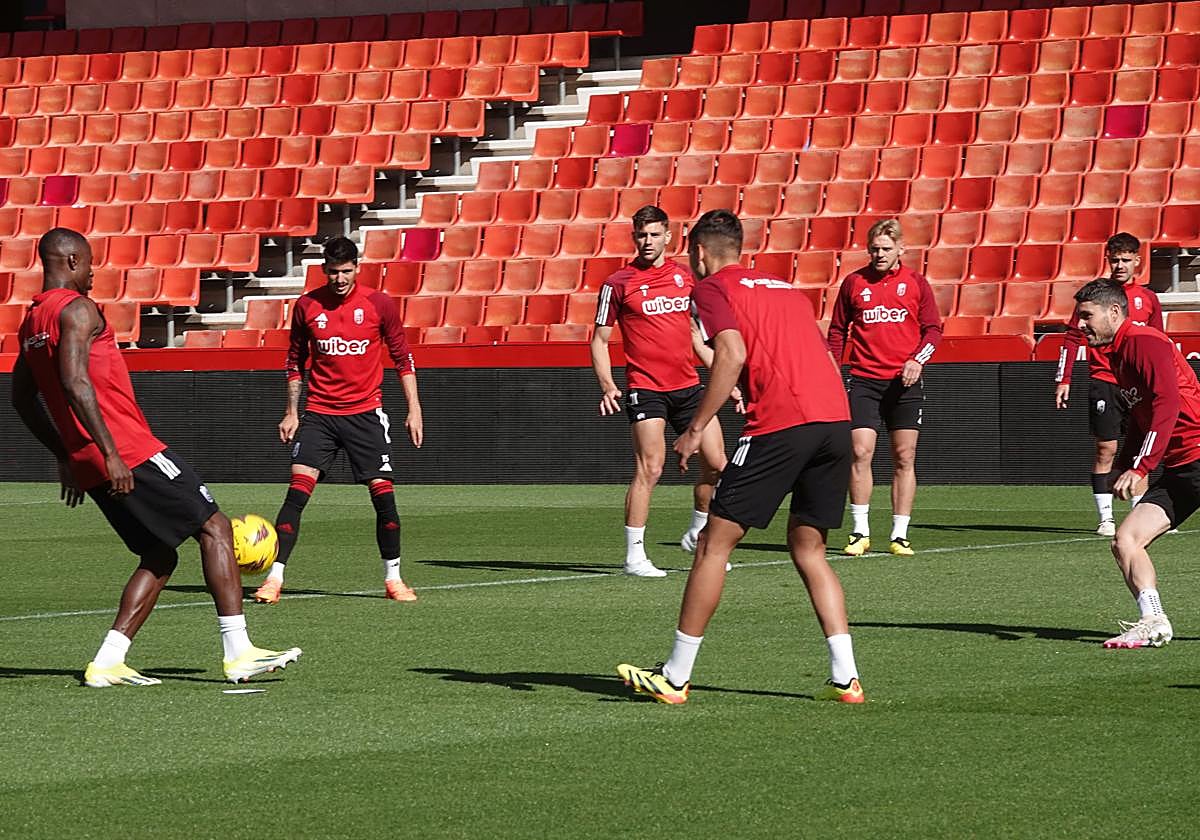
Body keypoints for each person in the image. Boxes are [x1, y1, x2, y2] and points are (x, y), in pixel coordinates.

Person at [11, 228, 301, 687]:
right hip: (127, 450)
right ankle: (239, 651)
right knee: (214, 525)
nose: (92, 272)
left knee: (159, 553)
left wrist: (68, 453)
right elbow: (74, 382)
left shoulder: (31, 323)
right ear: (70, 262)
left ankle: (108, 660)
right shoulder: (78, 310)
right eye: (88, 263)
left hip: (90, 461)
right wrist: (111, 453)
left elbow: (22, 399)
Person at [617, 209, 865, 704]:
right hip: (835, 421)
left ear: (701, 253)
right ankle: (847, 678)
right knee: (809, 549)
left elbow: (730, 354)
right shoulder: (784, 287)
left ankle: (675, 675)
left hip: (782, 424)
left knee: (713, 544)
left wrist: (695, 428)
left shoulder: (711, 289)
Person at [253, 236, 423, 604]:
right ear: (324, 270)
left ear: (357, 269)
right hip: (320, 416)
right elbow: (294, 361)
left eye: (346, 272)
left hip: (365, 414)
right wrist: (291, 411)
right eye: (333, 272)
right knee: (297, 493)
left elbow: (402, 357)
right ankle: (274, 579)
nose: (339, 279)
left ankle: (393, 578)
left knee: (384, 499)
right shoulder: (307, 305)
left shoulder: (379, 304)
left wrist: (414, 408)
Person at [591, 205, 739, 577]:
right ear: (633, 237)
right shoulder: (617, 284)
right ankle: (635, 556)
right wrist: (608, 384)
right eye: (641, 235)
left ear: (668, 236)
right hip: (647, 388)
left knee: (718, 465)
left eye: (654, 234)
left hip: (689, 387)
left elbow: (695, 336)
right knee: (651, 468)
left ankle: (697, 532)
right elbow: (599, 338)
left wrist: (726, 379)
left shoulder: (685, 278)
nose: (647, 241)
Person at [1071, 279, 1200, 648]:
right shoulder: (1119, 353)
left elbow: (1166, 405)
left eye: (1086, 316)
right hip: (1180, 468)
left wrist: (1141, 467)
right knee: (1125, 540)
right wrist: (1124, 464)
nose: (1080, 324)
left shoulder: (1145, 342)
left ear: (1114, 312)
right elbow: (1142, 420)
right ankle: (1153, 620)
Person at [826, 219, 942, 557]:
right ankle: (860, 531)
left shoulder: (916, 283)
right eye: (874, 248)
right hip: (863, 379)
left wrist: (917, 360)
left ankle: (900, 534)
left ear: (901, 250)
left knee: (904, 456)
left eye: (886, 249)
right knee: (860, 452)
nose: (879, 254)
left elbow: (933, 330)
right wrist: (832, 371)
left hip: (904, 382)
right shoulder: (854, 283)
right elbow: (836, 332)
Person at [1055, 233, 1164, 537]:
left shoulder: (1148, 298)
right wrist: (1063, 379)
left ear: (1137, 261)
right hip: (1104, 379)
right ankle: (1105, 518)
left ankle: (1141, 515)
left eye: (1125, 259)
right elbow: (1073, 336)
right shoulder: (1097, 295)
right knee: (1106, 448)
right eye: (1114, 259)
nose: (1119, 265)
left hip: (1138, 383)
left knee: (1142, 445)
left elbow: (1160, 341)